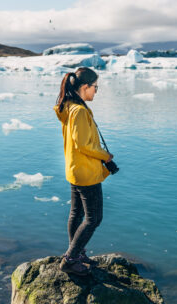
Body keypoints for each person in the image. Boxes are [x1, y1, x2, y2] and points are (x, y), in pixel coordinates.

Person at [54, 67, 114, 276]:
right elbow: (83, 144)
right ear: (85, 86)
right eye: (95, 87)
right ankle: (70, 259)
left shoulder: (70, 106)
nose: (96, 91)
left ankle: (76, 252)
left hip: (74, 169)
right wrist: (105, 156)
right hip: (86, 172)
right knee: (94, 218)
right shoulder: (79, 111)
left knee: (76, 213)